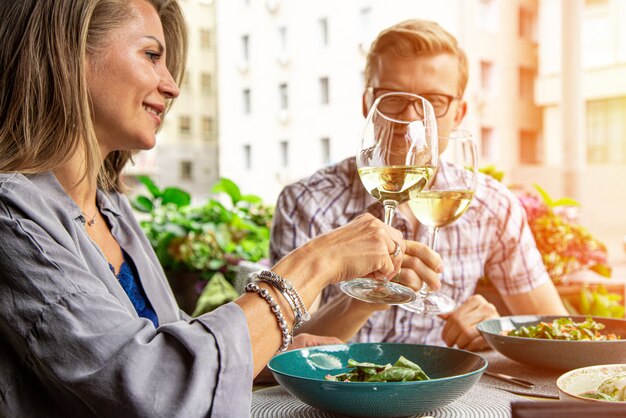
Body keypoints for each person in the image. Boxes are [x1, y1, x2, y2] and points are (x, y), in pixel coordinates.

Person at [0, 1, 407, 416]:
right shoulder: (10, 215)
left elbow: (168, 336)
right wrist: (318, 262)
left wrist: (262, 357)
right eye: (152, 55)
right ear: (69, 53)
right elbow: (157, 388)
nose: (172, 86)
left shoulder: (111, 208)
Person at [270, 19, 568, 351]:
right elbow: (281, 349)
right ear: (368, 104)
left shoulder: (493, 206)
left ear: (459, 114)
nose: (412, 118)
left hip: (449, 397)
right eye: (392, 97)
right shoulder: (307, 203)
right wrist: (363, 301)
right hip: (332, 396)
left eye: (434, 101)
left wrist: (498, 332)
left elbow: (555, 333)